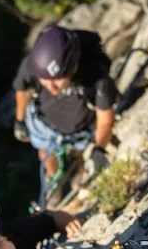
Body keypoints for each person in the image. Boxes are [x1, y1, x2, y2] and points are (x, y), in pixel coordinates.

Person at [12, 25, 117, 180]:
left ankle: (77, 169)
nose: (51, 87)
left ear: (74, 67)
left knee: (77, 157)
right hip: (44, 124)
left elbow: (105, 122)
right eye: (45, 82)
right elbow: (22, 89)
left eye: (57, 81)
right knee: (46, 155)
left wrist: (98, 149)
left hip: (81, 129)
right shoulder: (32, 65)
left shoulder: (97, 79)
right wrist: (19, 121)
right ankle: (54, 181)